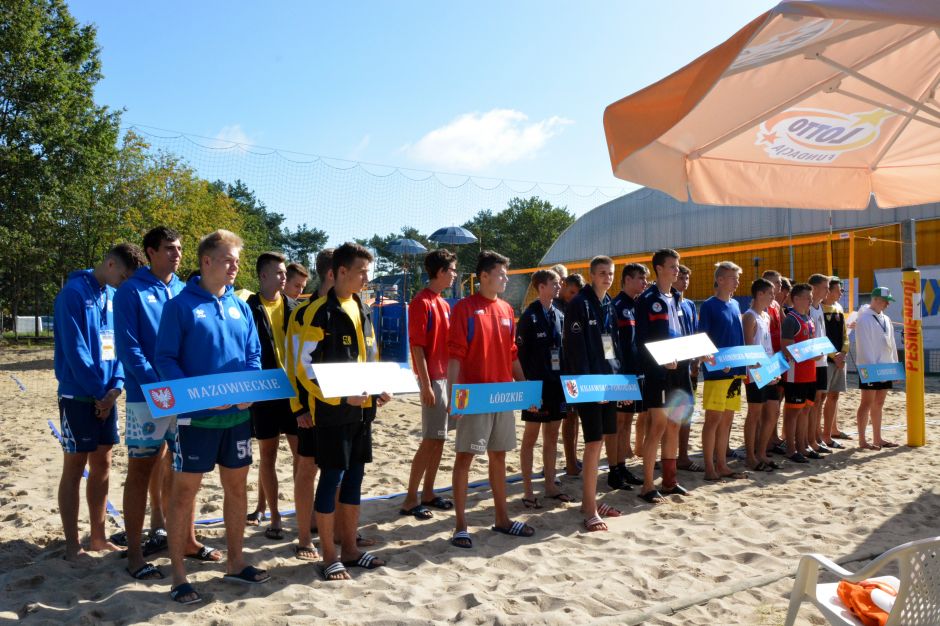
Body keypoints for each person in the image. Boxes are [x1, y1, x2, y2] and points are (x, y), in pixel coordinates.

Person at [155, 229, 268, 604]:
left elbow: (253, 355)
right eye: (228, 260)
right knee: (184, 493)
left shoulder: (241, 306)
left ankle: (235, 562)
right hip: (195, 419)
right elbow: (165, 359)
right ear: (207, 261)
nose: (235, 266)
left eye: (237, 260)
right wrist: (198, 395)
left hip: (236, 418)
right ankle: (178, 576)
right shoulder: (180, 306)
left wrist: (249, 389)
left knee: (237, 489)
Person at [115, 228, 219, 580]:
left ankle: (187, 540)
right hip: (147, 396)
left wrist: (185, 389)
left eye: (179, 249)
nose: (177, 254)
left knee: (184, 469)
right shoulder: (131, 290)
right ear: (150, 252)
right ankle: (134, 554)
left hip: (181, 396)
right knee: (140, 470)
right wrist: (161, 388)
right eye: (169, 249)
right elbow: (129, 349)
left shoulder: (184, 289)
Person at [290, 242, 390, 581]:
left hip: (363, 413)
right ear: (341, 271)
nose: (366, 279)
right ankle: (329, 555)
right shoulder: (320, 312)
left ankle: (350, 549)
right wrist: (338, 397)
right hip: (332, 414)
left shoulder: (362, 307)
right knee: (330, 478)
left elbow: (371, 356)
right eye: (361, 272)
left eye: (368, 272)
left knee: (354, 480)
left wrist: (379, 385)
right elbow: (303, 367)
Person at [54, 243, 145, 562]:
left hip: (107, 395)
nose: (126, 282)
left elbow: (119, 346)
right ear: (110, 264)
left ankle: (98, 537)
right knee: (74, 466)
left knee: (103, 464)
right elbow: (75, 350)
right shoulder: (72, 294)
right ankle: (71, 545)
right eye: (125, 276)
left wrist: (116, 388)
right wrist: (98, 393)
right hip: (79, 395)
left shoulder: (113, 297)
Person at [448, 251, 534, 548]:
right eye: (501, 274)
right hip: (475, 396)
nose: (506, 279)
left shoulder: (507, 309)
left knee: (499, 456)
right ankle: (461, 526)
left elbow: (512, 355)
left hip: (502, 396)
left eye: (506, 274)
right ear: (483, 276)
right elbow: (455, 356)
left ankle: (502, 519)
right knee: (465, 457)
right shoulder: (465, 308)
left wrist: (525, 389)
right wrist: (455, 397)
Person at [564, 255, 625, 531]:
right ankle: (589, 509)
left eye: (610, 273)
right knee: (592, 444)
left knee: (601, 443)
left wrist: (618, 382)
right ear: (591, 275)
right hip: (589, 385)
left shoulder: (608, 303)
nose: (607, 277)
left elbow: (612, 346)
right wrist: (590, 386)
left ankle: (590, 501)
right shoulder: (579, 303)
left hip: (607, 381)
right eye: (602, 273)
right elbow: (575, 350)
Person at [400, 249, 458, 520]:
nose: (455, 275)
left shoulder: (443, 304)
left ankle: (429, 493)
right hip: (433, 378)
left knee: (439, 439)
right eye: (452, 270)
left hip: (445, 377)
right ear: (441, 272)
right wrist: (425, 385)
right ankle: (410, 499)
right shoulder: (421, 302)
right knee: (430, 439)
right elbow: (417, 347)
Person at [245, 252, 299, 541]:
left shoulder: (294, 307)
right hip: (264, 389)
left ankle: (302, 511)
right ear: (263, 275)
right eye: (279, 273)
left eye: (284, 273)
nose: (284, 277)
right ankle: (274, 515)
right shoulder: (248, 308)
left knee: (302, 454)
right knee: (268, 455)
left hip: (293, 391)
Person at [285, 248, 334, 560]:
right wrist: (299, 407)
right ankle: (304, 538)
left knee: (339, 470)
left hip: (346, 407)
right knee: (307, 469)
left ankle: (340, 530)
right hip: (313, 408)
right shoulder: (303, 313)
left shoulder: (354, 307)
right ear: (334, 272)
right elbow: (293, 364)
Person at [635, 248, 693, 504]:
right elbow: (642, 341)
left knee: (675, 423)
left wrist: (698, 353)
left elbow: (683, 334)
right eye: (672, 266)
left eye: (678, 266)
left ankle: (669, 481)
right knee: (658, 425)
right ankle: (648, 485)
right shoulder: (647, 299)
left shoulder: (678, 298)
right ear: (659, 269)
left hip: (679, 367)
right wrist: (660, 360)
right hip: (658, 371)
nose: (677, 270)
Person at [516, 269, 572, 508]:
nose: (559, 286)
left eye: (559, 283)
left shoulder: (559, 314)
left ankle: (550, 485)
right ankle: (528, 491)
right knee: (531, 437)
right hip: (535, 386)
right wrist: (526, 387)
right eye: (554, 283)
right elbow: (519, 355)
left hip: (556, 384)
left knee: (552, 436)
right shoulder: (529, 316)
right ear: (541, 287)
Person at [698, 261, 747, 482]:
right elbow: (703, 340)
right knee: (713, 420)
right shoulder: (709, 306)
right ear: (720, 280)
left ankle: (722, 464)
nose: (737, 281)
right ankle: (709, 467)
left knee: (727, 420)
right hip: (717, 373)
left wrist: (744, 364)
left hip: (735, 371)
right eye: (733, 278)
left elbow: (739, 339)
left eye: (737, 277)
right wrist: (717, 362)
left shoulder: (735, 304)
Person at [609, 263, 649, 488]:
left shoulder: (637, 305)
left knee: (627, 421)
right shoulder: (616, 306)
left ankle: (622, 466)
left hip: (636, 372)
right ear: (627, 280)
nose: (645, 283)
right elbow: (610, 344)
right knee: (618, 422)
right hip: (621, 374)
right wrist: (616, 373)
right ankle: (614, 470)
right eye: (641, 278)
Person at [741, 278, 781, 472]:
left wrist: (774, 370)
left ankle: (762, 453)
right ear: (759, 294)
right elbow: (750, 351)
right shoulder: (749, 317)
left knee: (773, 412)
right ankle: (751, 456)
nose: (774, 296)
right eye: (770, 293)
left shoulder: (766, 316)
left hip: (768, 370)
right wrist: (765, 372)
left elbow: (769, 348)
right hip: (755, 372)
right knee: (754, 414)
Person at [855, 287, 900, 450]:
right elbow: (864, 346)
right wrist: (872, 370)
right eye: (885, 301)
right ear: (875, 299)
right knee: (866, 402)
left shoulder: (886, 318)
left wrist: (894, 367)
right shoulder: (864, 319)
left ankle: (877, 438)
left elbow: (892, 344)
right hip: (870, 367)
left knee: (879, 402)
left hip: (885, 366)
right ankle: (862, 440)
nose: (888, 304)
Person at [780, 283, 817, 464]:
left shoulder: (808, 318)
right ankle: (790, 449)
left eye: (811, 297)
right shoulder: (791, 319)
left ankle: (802, 447)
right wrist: (811, 353)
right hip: (795, 374)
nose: (811, 300)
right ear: (795, 299)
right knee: (793, 412)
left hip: (810, 372)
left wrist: (817, 352)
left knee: (805, 411)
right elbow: (786, 349)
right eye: (807, 297)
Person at [673, 264, 701, 472]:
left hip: (688, 364)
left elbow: (694, 334)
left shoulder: (690, 304)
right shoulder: (667, 302)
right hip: (672, 365)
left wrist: (696, 360)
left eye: (687, 278)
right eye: (681, 277)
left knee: (687, 411)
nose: (685, 281)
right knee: (669, 414)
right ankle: (668, 457)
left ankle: (682, 455)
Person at [559, 272, 585, 477]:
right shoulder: (555, 307)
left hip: (575, 370)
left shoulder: (576, 306)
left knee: (574, 416)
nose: (573, 296)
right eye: (571, 292)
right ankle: (569, 461)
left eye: (577, 293)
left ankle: (573, 458)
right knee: (567, 418)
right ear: (563, 285)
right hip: (561, 371)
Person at [821, 277, 850, 447]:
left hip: (839, 359)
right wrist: (834, 356)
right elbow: (820, 337)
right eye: (839, 290)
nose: (841, 293)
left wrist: (843, 352)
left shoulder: (838, 307)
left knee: (834, 396)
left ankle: (829, 433)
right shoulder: (817, 309)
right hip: (826, 359)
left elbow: (845, 334)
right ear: (829, 290)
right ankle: (819, 435)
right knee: (820, 398)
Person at [807, 273, 833, 456]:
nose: (827, 291)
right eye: (825, 287)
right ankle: (810, 439)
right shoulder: (808, 308)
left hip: (822, 360)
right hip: (812, 362)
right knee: (812, 402)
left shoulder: (819, 308)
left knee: (820, 399)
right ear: (814, 288)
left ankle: (816, 436)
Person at [761, 270, 787, 455]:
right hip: (767, 358)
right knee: (764, 404)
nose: (780, 285)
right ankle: (763, 441)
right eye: (776, 282)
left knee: (777, 400)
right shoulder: (761, 306)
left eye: (779, 283)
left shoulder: (776, 304)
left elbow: (783, 326)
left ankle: (773, 436)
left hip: (778, 356)